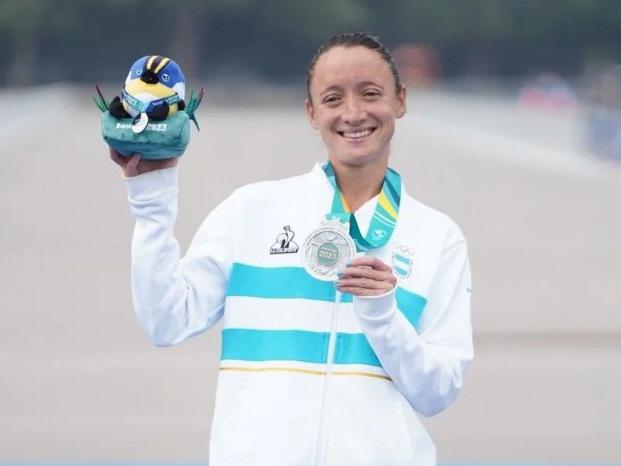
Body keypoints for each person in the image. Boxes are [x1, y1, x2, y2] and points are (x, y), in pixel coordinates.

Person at [110, 32, 473, 466]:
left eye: (370, 93)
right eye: (333, 98)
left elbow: (437, 393)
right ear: (312, 112)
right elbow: (165, 321)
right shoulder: (253, 210)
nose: (353, 113)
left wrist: (383, 317)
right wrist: (151, 200)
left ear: (400, 101)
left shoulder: (438, 237)